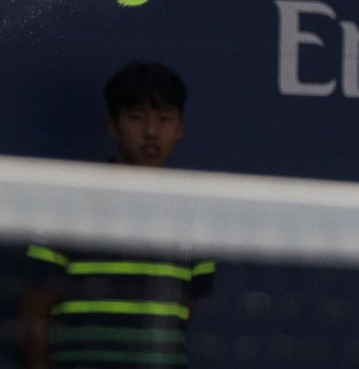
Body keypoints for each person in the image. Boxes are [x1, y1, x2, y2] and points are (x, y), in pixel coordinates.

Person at [17, 62, 215, 368]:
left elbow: (182, 315)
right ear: (113, 125)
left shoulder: (198, 216)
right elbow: (34, 313)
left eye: (164, 119)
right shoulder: (67, 205)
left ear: (180, 129)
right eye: (137, 118)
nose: (151, 132)